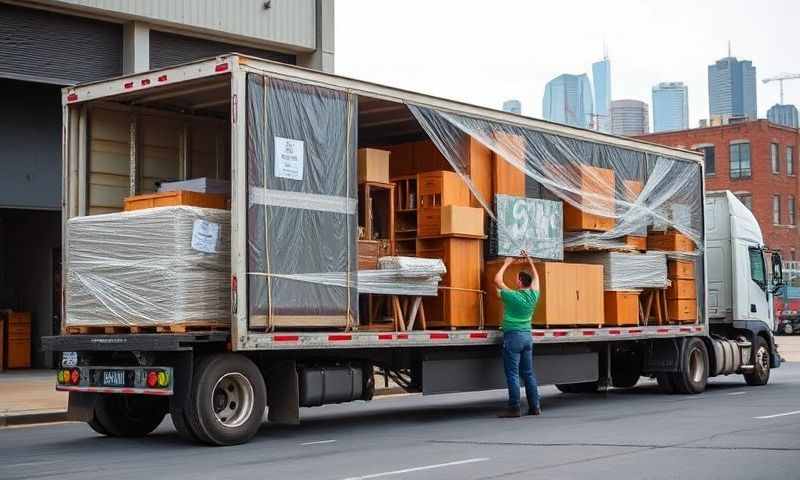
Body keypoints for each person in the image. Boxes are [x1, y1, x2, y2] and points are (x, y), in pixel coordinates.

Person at [494, 250, 541, 418]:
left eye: (517, 279)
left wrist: (507, 263)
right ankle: (535, 406)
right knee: (528, 373)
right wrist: (529, 260)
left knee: (512, 374)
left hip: (513, 337)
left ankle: (514, 407)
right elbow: (536, 278)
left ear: (521, 282)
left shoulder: (514, 296)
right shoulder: (534, 294)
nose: (515, 281)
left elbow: (497, 280)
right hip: (527, 337)